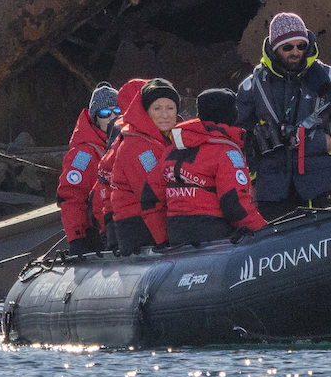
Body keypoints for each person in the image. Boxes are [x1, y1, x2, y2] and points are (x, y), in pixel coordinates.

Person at [236, 12, 331, 217]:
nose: (296, 52)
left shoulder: (328, 78)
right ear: (274, 48)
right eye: (287, 47)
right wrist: (251, 175)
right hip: (272, 188)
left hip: (322, 183)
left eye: (301, 46)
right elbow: (239, 135)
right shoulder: (252, 86)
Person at [162, 88, 267, 246]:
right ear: (230, 114)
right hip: (212, 234)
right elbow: (235, 205)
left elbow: (152, 194)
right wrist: (265, 231)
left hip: (176, 233)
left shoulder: (172, 149)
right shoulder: (225, 151)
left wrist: (160, 239)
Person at [104, 78, 181, 254]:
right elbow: (151, 193)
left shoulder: (158, 139)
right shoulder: (138, 146)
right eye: (157, 108)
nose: (165, 114)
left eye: (170, 108)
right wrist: (164, 240)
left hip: (152, 221)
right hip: (140, 228)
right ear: (146, 111)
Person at [56, 83, 122, 251]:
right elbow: (71, 197)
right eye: (105, 113)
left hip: (119, 225)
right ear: (95, 119)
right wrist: (77, 238)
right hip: (95, 235)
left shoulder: (122, 144)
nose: (112, 117)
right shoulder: (84, 155)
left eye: (117, 111)